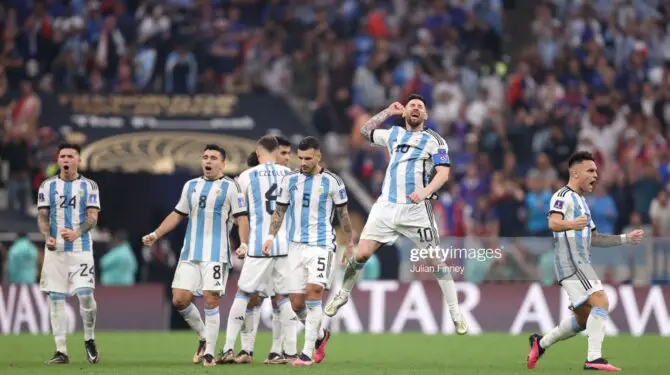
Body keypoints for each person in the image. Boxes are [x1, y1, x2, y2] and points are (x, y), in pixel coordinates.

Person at [325, 94, 468, 335]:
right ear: (405, 113)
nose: (415, 108)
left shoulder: (435, 140)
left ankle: (455, 313)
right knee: (361, 254)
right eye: (411, 105)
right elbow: (365, 130)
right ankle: (342, 295)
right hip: (386, 207)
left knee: (437, 262)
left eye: (420, 107)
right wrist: (387, 112)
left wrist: (424, 192)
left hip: (416, 210)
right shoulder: (393, 134)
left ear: (425, 116)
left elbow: (443, 174)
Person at [527, 151, 644, 371]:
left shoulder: (582, 202)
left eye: (596, 171)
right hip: (572, 262)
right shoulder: (562, 196)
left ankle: (540, 343)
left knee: (583, 320)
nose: (595, 175)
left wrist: (625, 238)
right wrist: (572, 224)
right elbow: (553, 223)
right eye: (590, 171)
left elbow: (595, 238)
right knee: (601, 301)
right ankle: (594, 358)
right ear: (575, 172)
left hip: (576, 263)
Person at [141, 144, 249, 367]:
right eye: (205, 157)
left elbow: (242, 218)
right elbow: (177, 214)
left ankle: (209, 353)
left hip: (217, 255)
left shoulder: (232, 188)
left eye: (213, 158)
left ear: (223, 163)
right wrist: (156, 234)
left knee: (211, 298)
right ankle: (203, 336)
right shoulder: (190, 186)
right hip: (190, 253)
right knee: (179, 299)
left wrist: (244, 243)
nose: (208, 161)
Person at [263, 136, 354, 366]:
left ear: (318, 156)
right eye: (300, 157)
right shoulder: (290, 180)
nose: (302, 162)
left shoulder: (333, 182)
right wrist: (270, 236)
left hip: (322, 245)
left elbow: (343, 215)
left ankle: (306, 354)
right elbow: (280, 210)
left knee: (314, 292)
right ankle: (321, 336)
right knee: (296, 303)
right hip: (295, 247)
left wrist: (350, 243)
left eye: (307, 158)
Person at [219, 135, 297, 365]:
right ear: (277, 152)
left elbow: (238, 210)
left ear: (259, 151)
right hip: (285, 245)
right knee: (283, 299)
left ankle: (227, 348)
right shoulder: (291, 175)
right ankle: (288, 353)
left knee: (243, 294)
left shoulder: (246, 176)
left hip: (259, 244)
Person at [37, 143, 102, 364]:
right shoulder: (47, 186)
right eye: (62, 156)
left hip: (80, 248)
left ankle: (89, 338)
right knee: (56, 297)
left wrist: (76, 233)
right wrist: (48, 237)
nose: (66, 159)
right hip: (55, 252)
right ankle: (61, 350)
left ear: (78, 160)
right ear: (58, 161)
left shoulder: (89, 186)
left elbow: (92, 217)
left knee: (85, 294)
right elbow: (43, 217)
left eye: (70, 156)